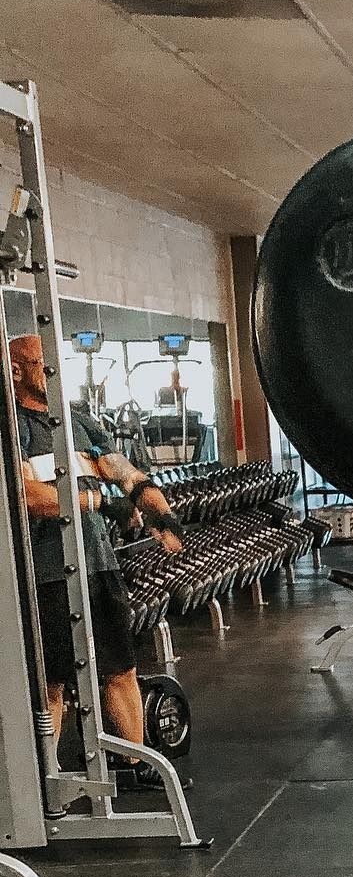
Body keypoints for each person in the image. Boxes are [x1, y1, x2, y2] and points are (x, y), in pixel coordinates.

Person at [9, 332, 185, 789]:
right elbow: (30, 497)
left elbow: (122, 472)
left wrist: (157, 509)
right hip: (43, 572)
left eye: (54, 364)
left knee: (119, 668)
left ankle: (136, 767)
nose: (52, 373)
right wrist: (98, 503)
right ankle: (45, 782)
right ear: (13, 371)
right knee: (52, 685)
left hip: (97, 564)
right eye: (39, 364)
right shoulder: (10, 427)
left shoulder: (77, 421)